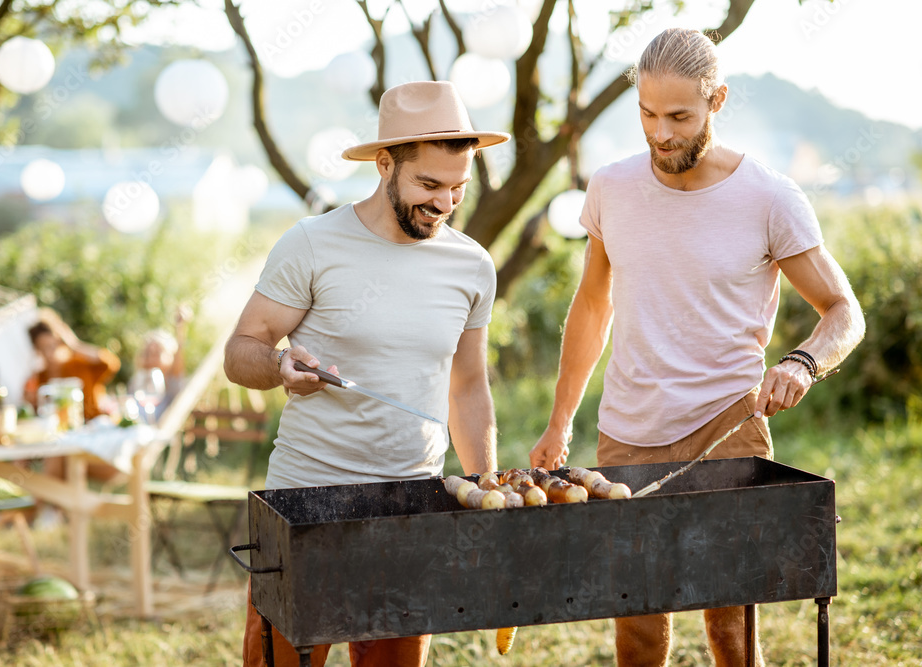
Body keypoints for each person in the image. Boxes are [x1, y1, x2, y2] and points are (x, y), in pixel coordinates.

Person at [528, 28, 864, 667]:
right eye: (647, 115)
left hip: (727, 425)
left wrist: (803, 361)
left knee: (732, 630)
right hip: (629, 431)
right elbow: (593, 305)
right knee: (638, 624)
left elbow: (844, 311)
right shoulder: (612, 187)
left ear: (718, 101)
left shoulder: (769, 197)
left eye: (680, 116)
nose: (661, 134)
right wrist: (559, 421)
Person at [223, 81, 508, 667]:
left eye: (458, 187)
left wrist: (486, 490)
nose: (445, 203)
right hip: (304, 505)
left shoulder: (472, 265)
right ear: (385, 164)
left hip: (411, 506)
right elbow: (239, 350)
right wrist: (280, 366)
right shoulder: (311, 244)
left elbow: (468, 386)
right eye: (429, 185)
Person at [24, 308, 121, 423]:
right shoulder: (40, 377)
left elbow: (111, 363)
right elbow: (38, 409)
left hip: (95, 424)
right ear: (37, 350)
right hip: (63, 431)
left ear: (60, 342)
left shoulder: (78, 364)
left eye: (52, 346)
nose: (49, 354)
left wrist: (76, 345)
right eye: (43, 348)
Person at [133, 305, 191, 422]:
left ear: (170, 356)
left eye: (156, 353)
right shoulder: (138, 379)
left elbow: (179, 353)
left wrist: (180, 328)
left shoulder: (172, 381)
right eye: (147, 353)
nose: (150, 358)